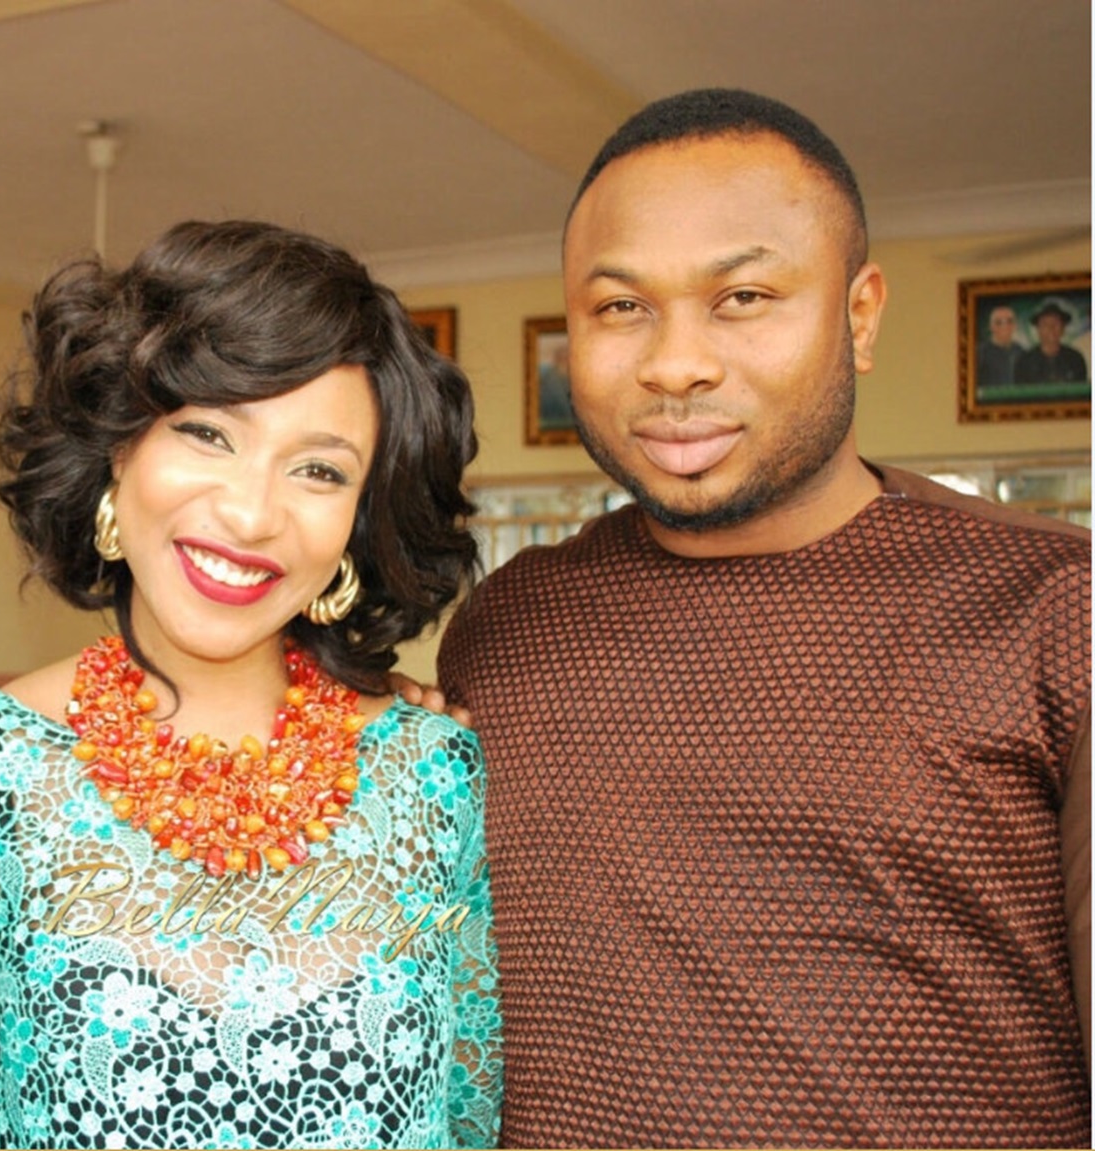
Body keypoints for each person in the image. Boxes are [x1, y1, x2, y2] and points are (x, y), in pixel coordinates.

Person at [438, 89, 1090, 1148]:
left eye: (742, 296)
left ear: (860, 315)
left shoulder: (1057, 606)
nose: (675, 364)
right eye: (620, 307)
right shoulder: (506, 622)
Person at [0, 221, 502, 1149]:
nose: (250, 512)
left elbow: (474, 1111)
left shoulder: (436, 776)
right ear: (117, 449)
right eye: (207, 432)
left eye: (319, 469)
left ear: (359, 521)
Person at [1014, 298, 1088, 384]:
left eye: (1056, 323)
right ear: (1038, 329)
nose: (1051, 328)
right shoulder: (1025, 362)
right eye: (1045, 324)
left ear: (1063, 328)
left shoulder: (1075, 359)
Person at [975, 303, 1023, 387]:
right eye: (998, 322)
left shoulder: (1022, 353)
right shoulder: (979, 354)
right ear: (991, 327)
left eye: (1009, 321)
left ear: (1015, 325)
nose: (1004, 326)